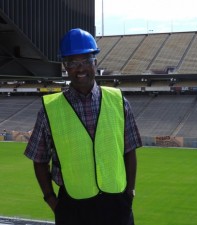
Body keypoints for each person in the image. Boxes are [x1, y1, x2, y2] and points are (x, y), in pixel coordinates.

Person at [24, 28, 142, 225]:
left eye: (86, 61)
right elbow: (39, 160)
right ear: (65, 66)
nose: (80, 69)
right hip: (72, 209)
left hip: (117, 205)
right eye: (73, 63)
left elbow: (129, 151)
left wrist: (130, 192)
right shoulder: (49, 110)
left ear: (95, 62)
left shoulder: (118, 101)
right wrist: (52, 200)